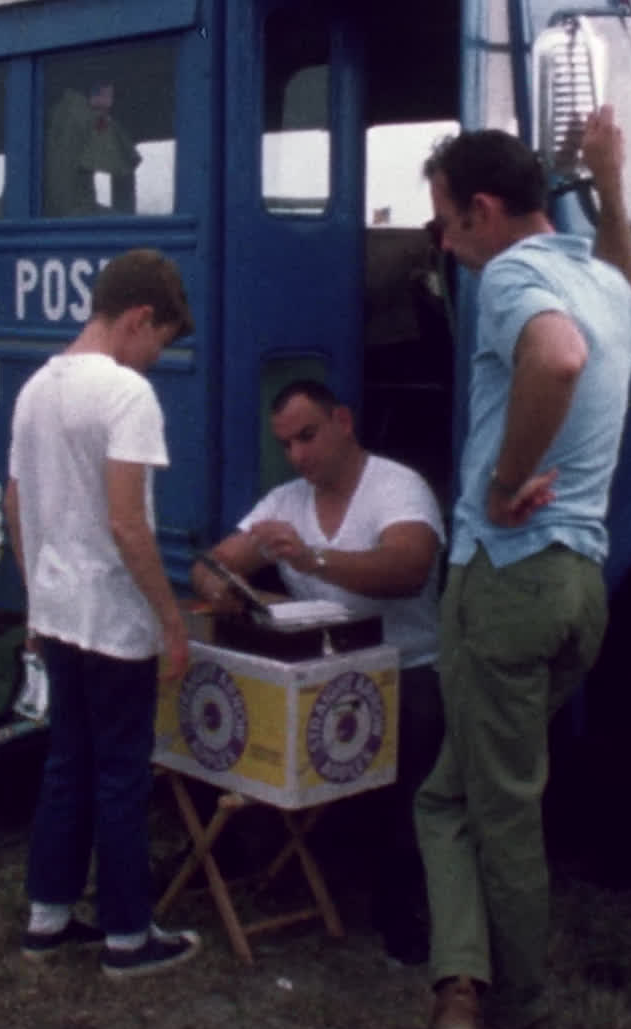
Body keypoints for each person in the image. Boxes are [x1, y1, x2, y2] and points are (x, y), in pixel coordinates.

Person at [408, 106, 631, 1029]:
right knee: (453, 792)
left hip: (506, 578)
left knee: (492, 804)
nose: (447, 247)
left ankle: (510, 1020)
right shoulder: (602, 279)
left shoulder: (512, 274)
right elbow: (625, 286)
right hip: (581, 587)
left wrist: (504, 485)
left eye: (444, 225)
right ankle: (456, 991)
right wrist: (613, 184)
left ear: (486, 211)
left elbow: (556, 358)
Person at [188, 379, 445, 966]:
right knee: (215, 701)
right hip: (321, 668)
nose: (299, 455)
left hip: (405, 665)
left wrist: (312, 559)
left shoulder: (396, 487)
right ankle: (227, 855)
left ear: (343, 422)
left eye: (308, 436)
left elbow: (408, 569)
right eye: (287, 444)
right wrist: (229, 590)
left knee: (413, 747)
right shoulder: (287, 500)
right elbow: (212, 563)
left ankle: (401, 906)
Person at [4, 248, 203, 978]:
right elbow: (128, 524)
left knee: (67, 762)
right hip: (113, 619)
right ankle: (128, 935)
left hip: (56, 611)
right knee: (121, 772)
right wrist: (171, 620)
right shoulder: (125, 395)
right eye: (160, 342)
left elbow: (14, 504)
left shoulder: (36, 388)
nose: (155, 360)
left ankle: (47, 917)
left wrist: (35, 595)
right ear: (139, 319)